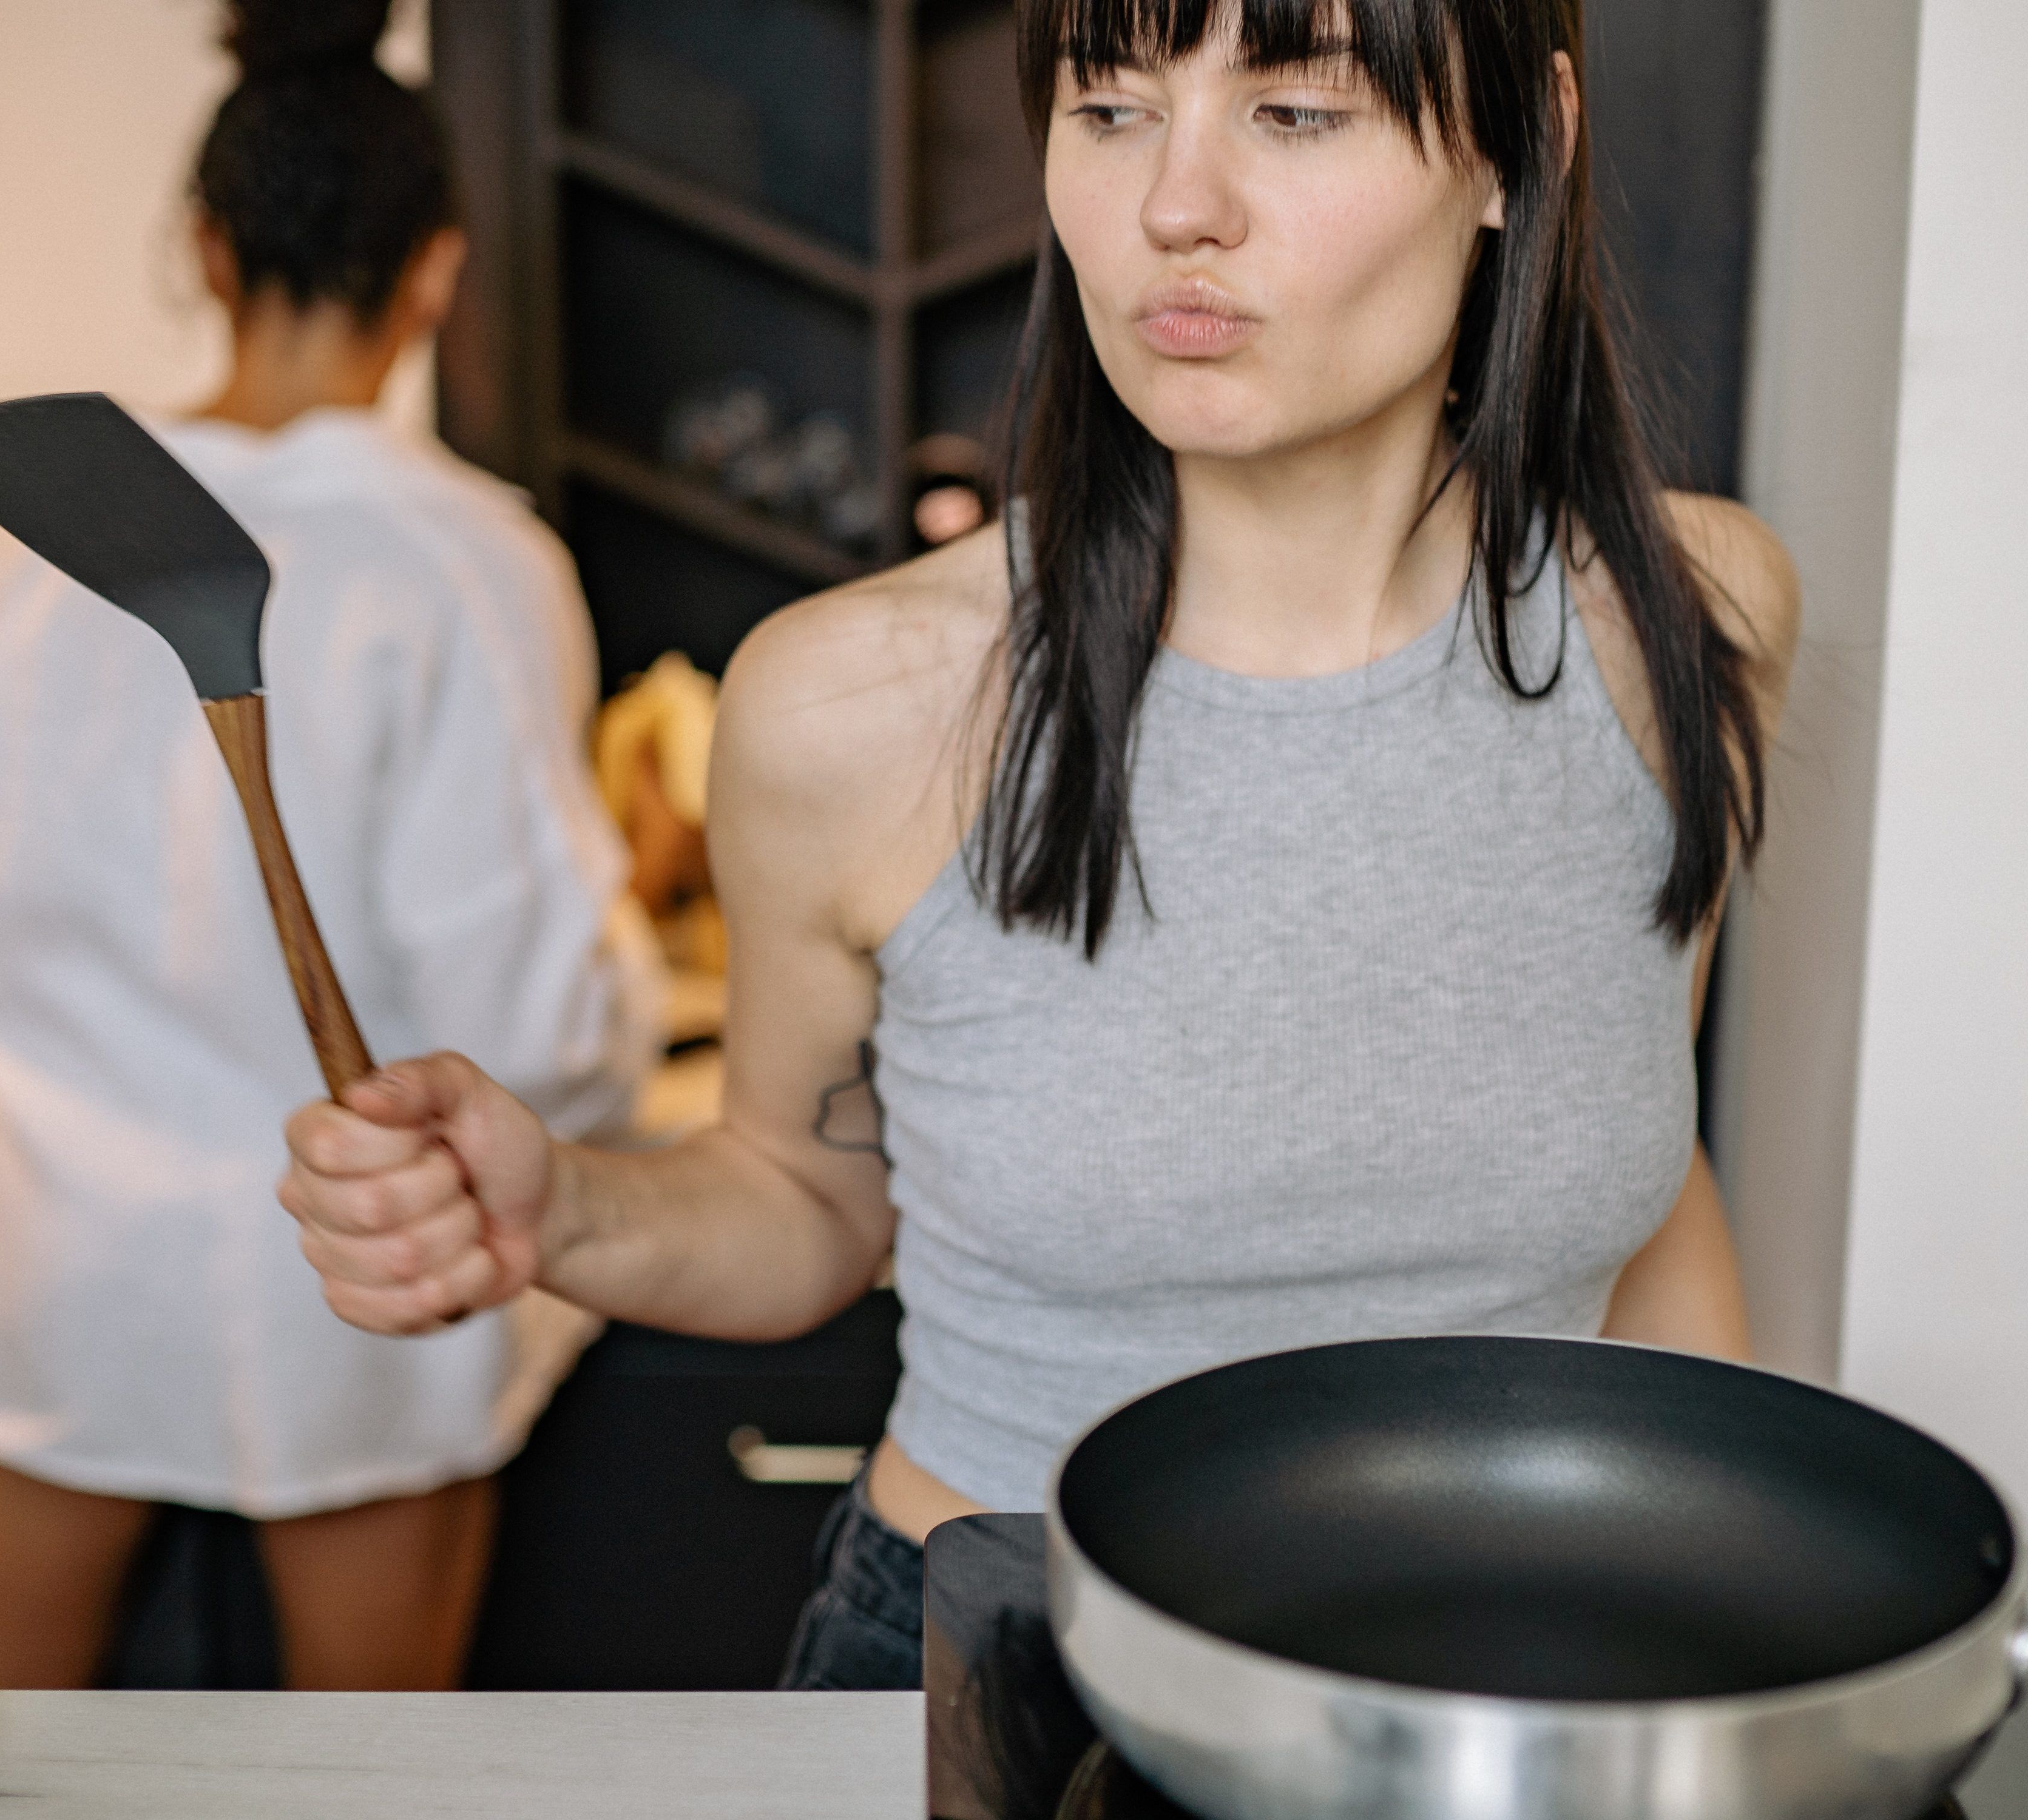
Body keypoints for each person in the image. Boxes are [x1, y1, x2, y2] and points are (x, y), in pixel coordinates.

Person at [275, 0, 1797, 1691]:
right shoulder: (857, 704)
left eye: (1294, 113)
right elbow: (805, 1198)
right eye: (1111, 105)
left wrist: (1732, 1635)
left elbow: (1649, 1198)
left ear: (1531, 147)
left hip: (1500, 1674)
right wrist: (558, 1210)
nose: (1175, 206)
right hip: (1002, 1669)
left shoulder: (1689, 623)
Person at [0, 0, 657, 1691]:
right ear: (435, 274)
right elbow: (534, 1005)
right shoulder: (468, 562)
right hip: (352, 1270)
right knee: (370, 1784)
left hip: (73, 1253)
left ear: (203, 247)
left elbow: (8, 879)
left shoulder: (45, 546)